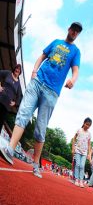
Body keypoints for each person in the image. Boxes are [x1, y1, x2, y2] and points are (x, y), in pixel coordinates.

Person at [0, 22, 82, 176]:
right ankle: (10, 149)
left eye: (77, 32)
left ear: (77, 35)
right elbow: (42, 56)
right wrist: (34, 71)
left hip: (52, 92)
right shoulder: (56, 42)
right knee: (23, 113)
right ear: (69, 29)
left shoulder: (76, 51)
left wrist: (73, 80)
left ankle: (36, 163)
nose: (74, 32)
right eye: (73, 29)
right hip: (37, 82)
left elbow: (75, 70)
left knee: (40, 128)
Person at [0, 64, 23, 143]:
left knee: (1, 122)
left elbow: (19, 96)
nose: (17, 70)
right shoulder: (8, 73)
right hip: (0, 98)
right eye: (16, 68)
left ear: (20, 72)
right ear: (14, 69)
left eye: (19, 70)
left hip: (7, 106)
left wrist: (15, 103)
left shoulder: (18, 84)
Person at [71, 117, 92, 188]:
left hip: (84, 152)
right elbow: (74, 139)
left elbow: (89, 145)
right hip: (77, 150)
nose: (87, 126)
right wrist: (73, 148)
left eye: (89, 125)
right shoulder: (79, 130)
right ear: (84, 123)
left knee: (82, 166)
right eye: (86, 124)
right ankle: (76, 179)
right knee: (78, 165)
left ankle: (81, 180)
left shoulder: (89, 134)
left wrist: (89, 154)